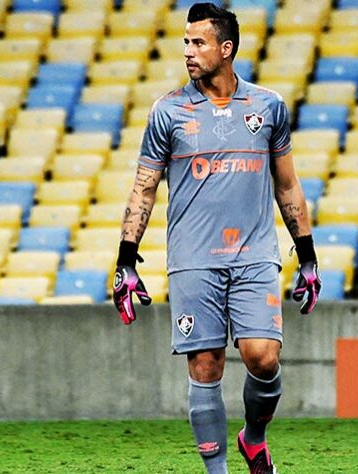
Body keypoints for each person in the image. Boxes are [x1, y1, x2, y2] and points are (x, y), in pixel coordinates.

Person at [112, 3, 321, 473]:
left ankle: (254, 437)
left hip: (255, 257)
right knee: (205, 368)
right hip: (193, 260)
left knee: (263, 359)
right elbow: (144, 186)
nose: (188, 51)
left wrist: (306, 256)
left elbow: (287, 185)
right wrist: (126, 260)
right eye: (186, 42)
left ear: (226, 49)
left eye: (198, 42)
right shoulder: (167, 111)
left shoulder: (268, 108)